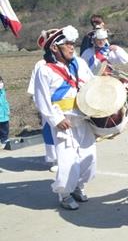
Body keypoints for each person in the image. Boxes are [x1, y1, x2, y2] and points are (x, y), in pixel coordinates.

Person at [32, 26, 95, 210]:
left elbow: (91, 84)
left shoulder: (79, 63)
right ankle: (65, 194)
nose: (71, 47)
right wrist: (55, 119)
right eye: (67, 44)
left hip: (83, 118)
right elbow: (41, 98)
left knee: (88, 158)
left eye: (72, 44)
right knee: (68, 160)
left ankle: (77, 187)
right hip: (63, 121)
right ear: (54, 48)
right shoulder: (44, 70)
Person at [28, 30, 59, 171]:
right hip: (49, 105)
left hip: (67, 104)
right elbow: (35, 88)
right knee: (50, 131)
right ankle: (54, 159)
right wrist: (42, 106)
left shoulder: (69, 60)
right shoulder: (41, 64)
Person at [0, 75, 9, 145]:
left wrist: (7, 110)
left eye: (1, 82)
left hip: (5, 115)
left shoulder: (3, 92)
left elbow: (5, 102)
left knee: (5, 128)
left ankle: (5, 139)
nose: (1, 84)